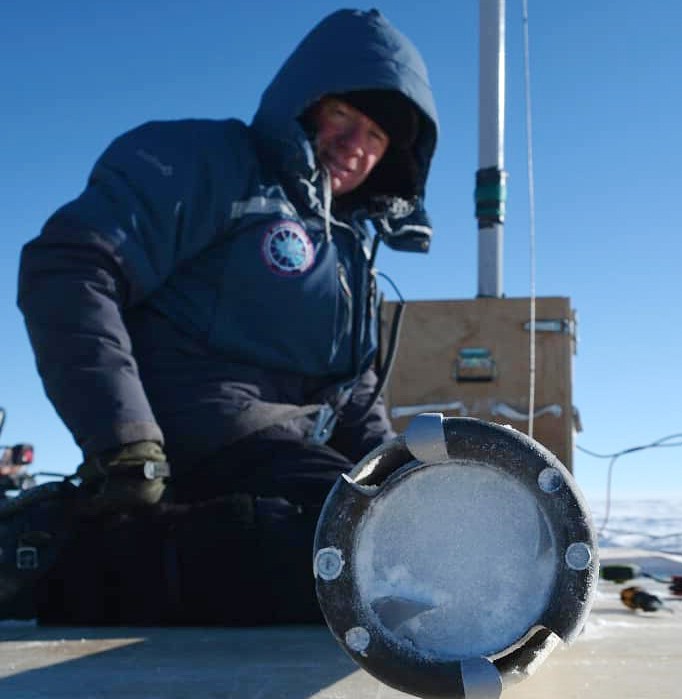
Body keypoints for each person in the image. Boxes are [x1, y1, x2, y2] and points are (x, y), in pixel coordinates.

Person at [13, 8, 439, 624]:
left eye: (375, 136)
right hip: (198, 442)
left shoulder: (351, 253)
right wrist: (125, 441)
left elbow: (354, 394)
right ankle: (68, 564)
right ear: (304, 103)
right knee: (358, 554)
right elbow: (72, 264)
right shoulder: (210, 164)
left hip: (291, 460)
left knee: (410, 537)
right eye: (343, 115)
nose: (355, 146)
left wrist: (397, 479)